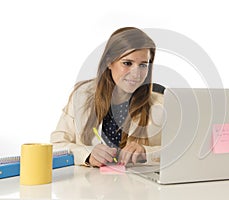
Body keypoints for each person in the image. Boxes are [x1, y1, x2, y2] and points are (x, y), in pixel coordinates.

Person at [50, 27, 164, 167]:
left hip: (137, 186)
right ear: (109, 62)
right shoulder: (82, 96)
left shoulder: (161, 103)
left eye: (143, 65)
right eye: (127, 63)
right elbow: (56, 145)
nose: (136, 74)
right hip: (90, 185)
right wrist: (87, 154)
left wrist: (147, 153)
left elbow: (182, 151)